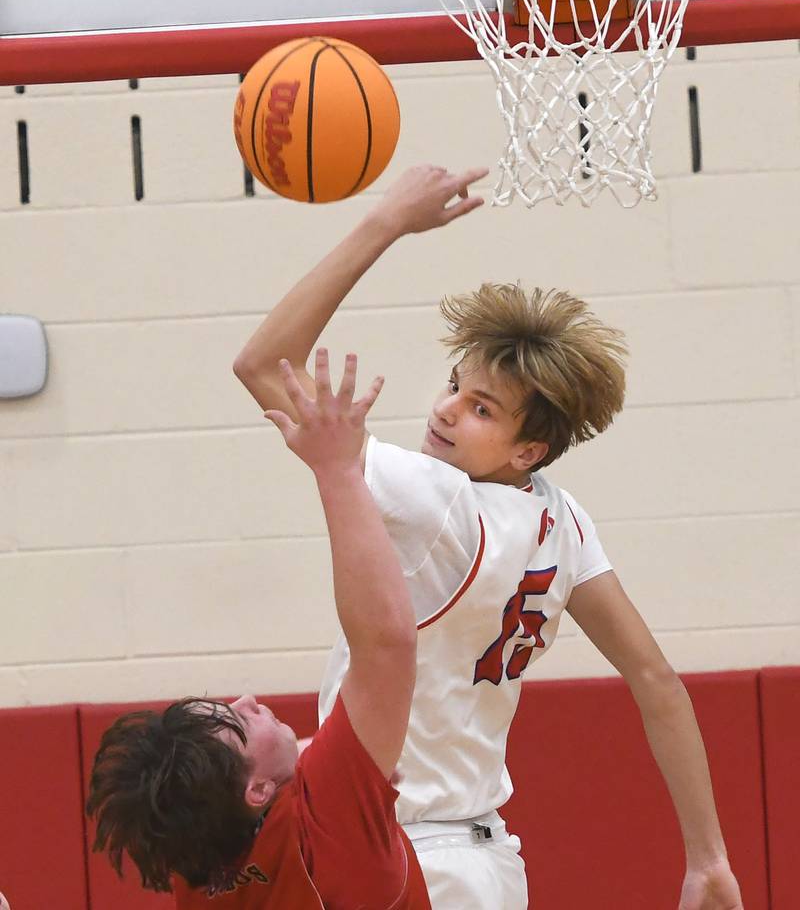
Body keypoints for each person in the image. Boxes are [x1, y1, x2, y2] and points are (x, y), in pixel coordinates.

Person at [233, 165, 744, 910]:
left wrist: (385, 223)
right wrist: (707, 857)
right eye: (453, 386)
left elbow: (259, 364)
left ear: (527, 450)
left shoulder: (437, 500)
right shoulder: (563, 521)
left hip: (403, 859)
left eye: (481, 409)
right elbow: (657, 681)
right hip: (489, 864)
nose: (445, 411)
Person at [86, 350, 432, 909]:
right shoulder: (324, 822)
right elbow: (387, 644)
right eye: (238, 722)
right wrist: (337, 469)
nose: (248, 700)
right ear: (258, 791)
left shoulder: (197, 867)